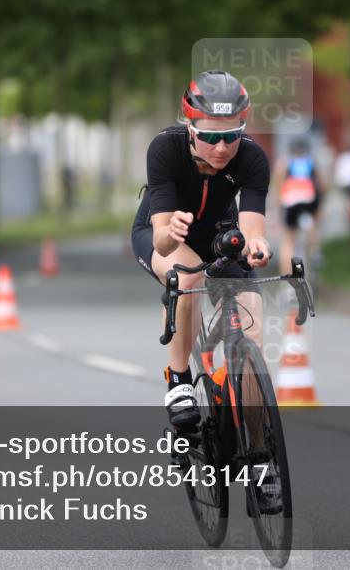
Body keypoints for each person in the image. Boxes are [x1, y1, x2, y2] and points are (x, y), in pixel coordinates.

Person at [131, 69, 272, 430]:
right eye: (210, 136)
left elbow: (252, 231)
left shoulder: (253, 158)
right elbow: (163, 242)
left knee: (253, 329)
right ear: (190, 127)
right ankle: (179, 381)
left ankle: (259, 449)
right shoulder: (165, 148)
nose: (221, 147)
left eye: (231, 136)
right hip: (165, 232)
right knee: (187, 277)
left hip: (220, 235)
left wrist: (257, 246)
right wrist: (171, 230)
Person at [274, 137, 324, 275]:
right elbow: (320, 184)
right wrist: (320, 205)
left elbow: (278, 184)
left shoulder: (285, 161)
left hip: (291, 199)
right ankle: (315, 249)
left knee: (288, 239)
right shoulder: (311, 161)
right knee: (312, 224)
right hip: (309, 198)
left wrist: (278, 204)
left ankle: (286, 276)